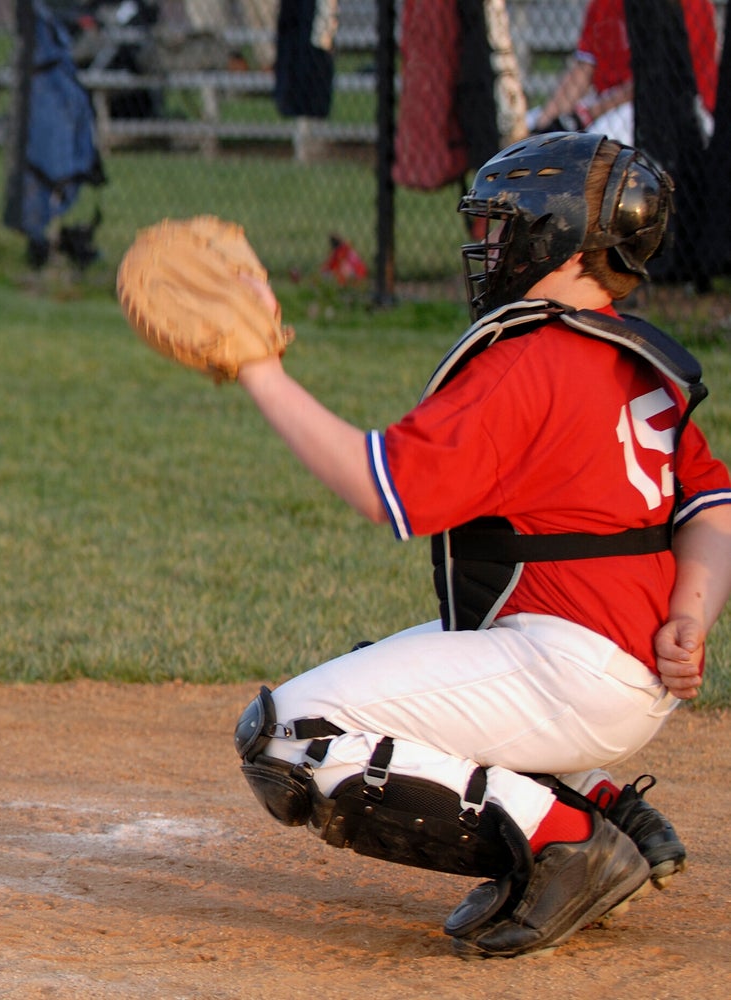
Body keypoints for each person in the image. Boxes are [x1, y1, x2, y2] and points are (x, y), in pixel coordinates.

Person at [229, 132, 731, 959]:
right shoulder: (637, 357)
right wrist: (693, 613)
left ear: (556, 237)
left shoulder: (531, 358)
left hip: (567, 666)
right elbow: (709, 504)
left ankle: (569, 837)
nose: (489, 246)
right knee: (390, 684)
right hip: (625, 668)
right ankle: (603, 805)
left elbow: (382, 486)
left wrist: (260, 372)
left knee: (289, 736)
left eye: (504, 226)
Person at [526, 0, 718, 145]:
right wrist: (545, 123)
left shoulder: (690, 5)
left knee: (600, 139)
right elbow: (583, 68)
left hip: (678, 106)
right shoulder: (605, 3)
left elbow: (654, 80)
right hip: (608, 103)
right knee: (526, 126)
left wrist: (586, 115)